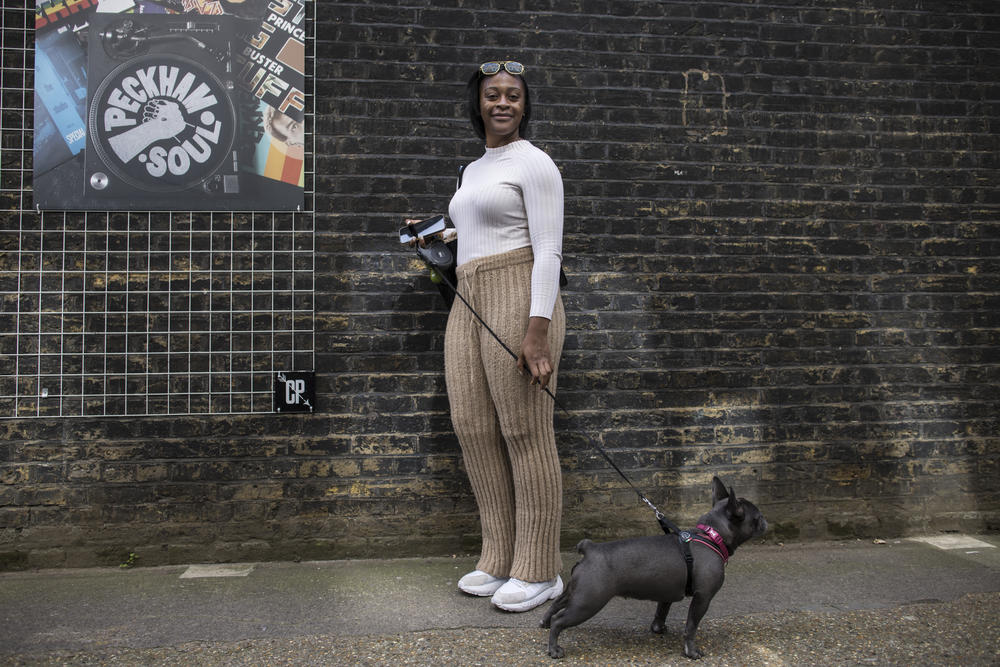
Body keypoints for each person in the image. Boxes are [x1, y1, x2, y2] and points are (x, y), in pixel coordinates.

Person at [443, 60, 566, 613]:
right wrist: (445, 233)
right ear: (479, 103)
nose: (503, 103)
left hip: (520, 294)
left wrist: (536, 330)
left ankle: (540, 570)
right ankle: (498, 556)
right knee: (473, 428)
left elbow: (549, 249)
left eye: (513, 96)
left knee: (524, 431)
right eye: (493, 94)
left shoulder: (535, 163)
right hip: (468, 297)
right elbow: (480, 228)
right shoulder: (474, 169)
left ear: (524, 106)